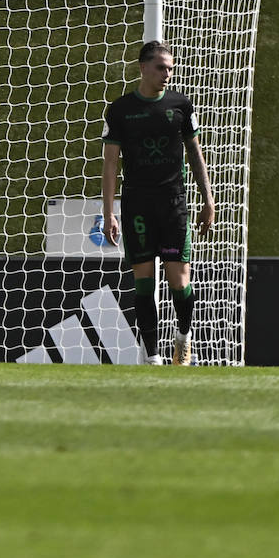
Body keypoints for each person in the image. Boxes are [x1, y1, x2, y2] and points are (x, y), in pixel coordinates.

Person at [100, 41, 215, 366]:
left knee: (179, 281)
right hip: (137, 205)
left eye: (171, 68)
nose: (168, 74)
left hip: (173, 205)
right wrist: (109, 212)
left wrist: (208, 199)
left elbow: (195, 153)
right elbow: (111, 163)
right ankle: (151, 356)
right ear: (143, 68)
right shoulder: (121, 109)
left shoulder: (181, 105)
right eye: (162, 67)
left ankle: (183, 336)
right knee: (144, 281)